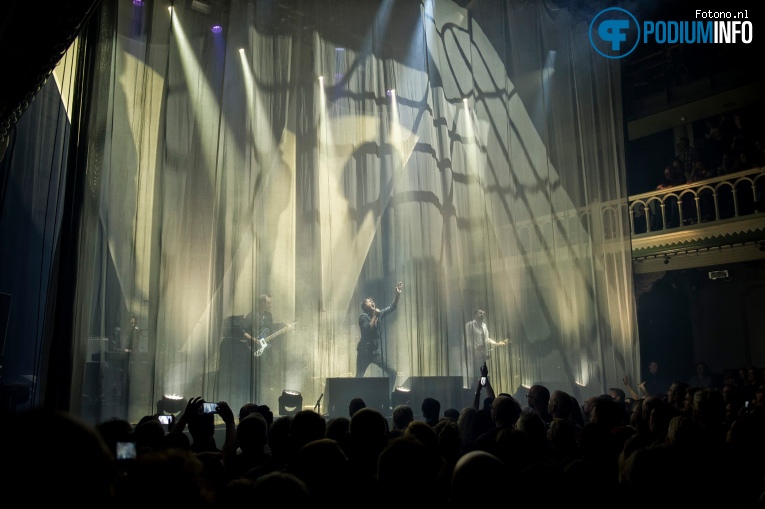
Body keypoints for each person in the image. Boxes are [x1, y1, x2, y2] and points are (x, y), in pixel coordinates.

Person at [356, 281, 403, 394]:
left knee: (393, 372)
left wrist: (397, 294)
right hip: (364, 353)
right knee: (359, 377)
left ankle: (387, 396)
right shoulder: (363, 317)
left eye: (373, 301)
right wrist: (375, 315)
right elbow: (367, 330)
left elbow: (392, 306)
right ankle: (355, 400)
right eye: (369, 301)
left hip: (375, 353)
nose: (372, 301)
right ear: (365, 307)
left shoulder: (379, 313)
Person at [464, 309, 507, 387]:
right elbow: (467, 340)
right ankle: (473, 389)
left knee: (481, 374)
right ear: (475, 314)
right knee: (472, 374)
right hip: (472, 355)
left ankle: (481, 389)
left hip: (482, 354)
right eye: (480, 313)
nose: (482, 315)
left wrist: (497, 344)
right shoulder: (469, 325)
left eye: (483, 313)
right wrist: (475, 350)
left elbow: (487, 339)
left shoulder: (484, 326)